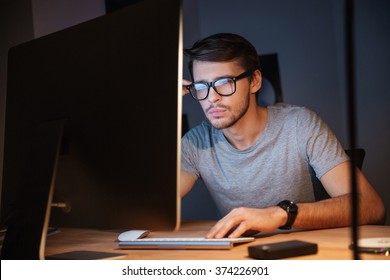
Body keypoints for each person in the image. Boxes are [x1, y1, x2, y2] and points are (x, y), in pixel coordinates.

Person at [180, 33, 385, 239]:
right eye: (201, 86)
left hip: (305, 254)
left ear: (255, 81)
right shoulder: (195, 142)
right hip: (240, 261)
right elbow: (152, 203)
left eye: (224, 82)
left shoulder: (300, 124)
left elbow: (371, 206)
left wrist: (280, 214)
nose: (212, 98)